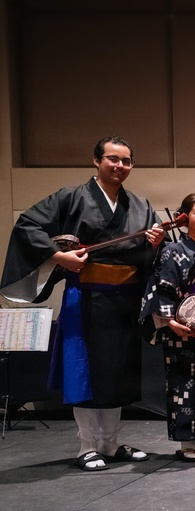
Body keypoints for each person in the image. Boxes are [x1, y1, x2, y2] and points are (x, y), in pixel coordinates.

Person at [0, 136, 164, 471]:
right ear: (96, 161)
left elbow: (146, 256)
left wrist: (155, 242)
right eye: (113, 159)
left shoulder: (141, 206)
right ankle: (87, 445)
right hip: (86, 297)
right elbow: (27, 225)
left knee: (117, 373)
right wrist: (58, 255)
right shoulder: (70, 198)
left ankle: (111, 441)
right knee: (85, 371)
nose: (119, 166)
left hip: (124, 301)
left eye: (126, 161)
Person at [139, 193, 195, 462]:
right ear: (184, 217)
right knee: (183, 384)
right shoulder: (173, 251)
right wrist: (170, 322)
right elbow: (162, 287)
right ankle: (186, 440)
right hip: (181, 326)